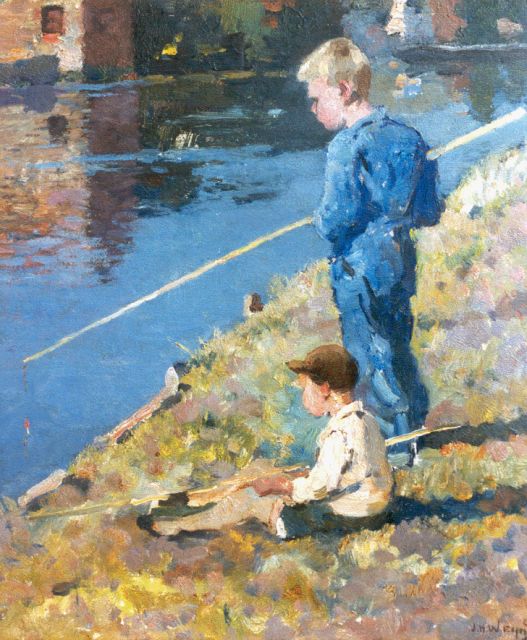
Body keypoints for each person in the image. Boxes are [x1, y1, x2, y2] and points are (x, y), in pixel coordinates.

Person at [298, 38, 442, 438]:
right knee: (397, 346)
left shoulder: (346, 147)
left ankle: (389, 441)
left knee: (366, 354)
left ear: (343, 90)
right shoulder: (410, 138)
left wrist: (319, 221)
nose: (313, 109)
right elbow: (429, 211)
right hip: (399, 261)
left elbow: (336, 220)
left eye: (317, 99)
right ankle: (412, 428)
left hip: (358, 269)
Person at [152, 344, 393, 540]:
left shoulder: (340, 433)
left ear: (324, 389)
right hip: (369, 508)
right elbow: (345, 474)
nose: (303, 396)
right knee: (262, 470)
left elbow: (319, 488)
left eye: (305, 388)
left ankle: (182, 523)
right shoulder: (365, 420)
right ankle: (195, 501)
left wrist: (282, 486)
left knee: (249, 498)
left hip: (342, 517)